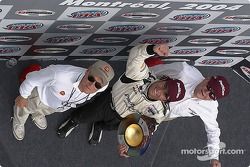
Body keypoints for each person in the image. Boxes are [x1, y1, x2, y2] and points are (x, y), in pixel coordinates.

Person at [57, 43, 186, 145]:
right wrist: (152, 49)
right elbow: (136, 55)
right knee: (85, 115)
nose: (159, 91)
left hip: (123, 119)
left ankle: (98, 126)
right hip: (108, 103)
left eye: (165, 95)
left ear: (165, 101)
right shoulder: (141, 75)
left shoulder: (160, 111)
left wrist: (141, 136)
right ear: (163, 79)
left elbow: (152, 126)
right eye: (164, 86)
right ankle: (73, 121)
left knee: (108, 127)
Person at [142, 57, 230, 167]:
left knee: (139, 136)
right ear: (207, 79)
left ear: (214, 99)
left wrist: (214, 157)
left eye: (211, 94)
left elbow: (213, 131)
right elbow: (154, 72)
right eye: (209, 86)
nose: (206, 92)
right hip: (152, 94)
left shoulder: (210, 108)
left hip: (165, 115)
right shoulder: (183, 71)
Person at [12, 60, 114, 140]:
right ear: (87, 71)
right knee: (23, 109)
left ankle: (37, 114)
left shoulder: (103, 86)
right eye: (91, 78)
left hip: (58, 105)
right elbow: (31, 79)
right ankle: (19, 122)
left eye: (97, 85)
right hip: (39, 96)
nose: (91, 85)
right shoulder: (59, 75)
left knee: (45, 110)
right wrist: (23, 96)